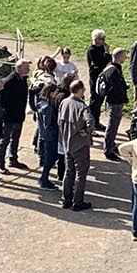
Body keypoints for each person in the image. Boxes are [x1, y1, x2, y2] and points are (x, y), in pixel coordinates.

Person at [58, 80, 94, 211]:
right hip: (80, 145)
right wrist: (86, 131)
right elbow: (90, 121)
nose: (84, 91)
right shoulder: (82, 106)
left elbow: (59, 121)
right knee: (81, 173)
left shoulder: (64, 102)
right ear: (79, 90)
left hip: (67, 143)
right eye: (83, 89)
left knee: (69, 172)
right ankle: (78, 201)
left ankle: (65, 199)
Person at [0, 61, 31, 172]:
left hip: (19, 115)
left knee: (15, 139)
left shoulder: (23, 79)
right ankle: (0, 164)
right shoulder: (9, 81)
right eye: (26, 68)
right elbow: (1, 99)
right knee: (5, 140)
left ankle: (13, 159)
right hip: (9, 117)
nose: (28, 70)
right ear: (19, 68)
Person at [98, 48, 131, 162]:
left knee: (113, 125)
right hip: (115, 102)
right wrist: (124, 96)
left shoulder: (112, 67)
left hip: (114, 101)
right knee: (112, 126)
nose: (125, 58)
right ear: (119, 57)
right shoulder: (113, 71)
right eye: (124, 56)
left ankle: (111, 145)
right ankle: (108, 150)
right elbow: (116, 89)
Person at [33, 84, 62, 190]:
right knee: (51, 158)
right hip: (51, 135)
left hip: (44, 134)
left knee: (50, 157)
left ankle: (44, 178)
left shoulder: (40, 101)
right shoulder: (48, 107)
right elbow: (48, 123)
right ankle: (43, 179)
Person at [87, 31, 112, 131]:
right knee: (94, 102)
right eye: (102, 39)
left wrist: (107, 52)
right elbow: (101, 63)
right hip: (95, 78)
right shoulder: (91, 50)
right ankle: (90, 123)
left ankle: (96, 122)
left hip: (103, 79)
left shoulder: (102, 48)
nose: (104, 41)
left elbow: (110, 61)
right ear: (96, 39)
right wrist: (106, 53)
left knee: (100, 101)